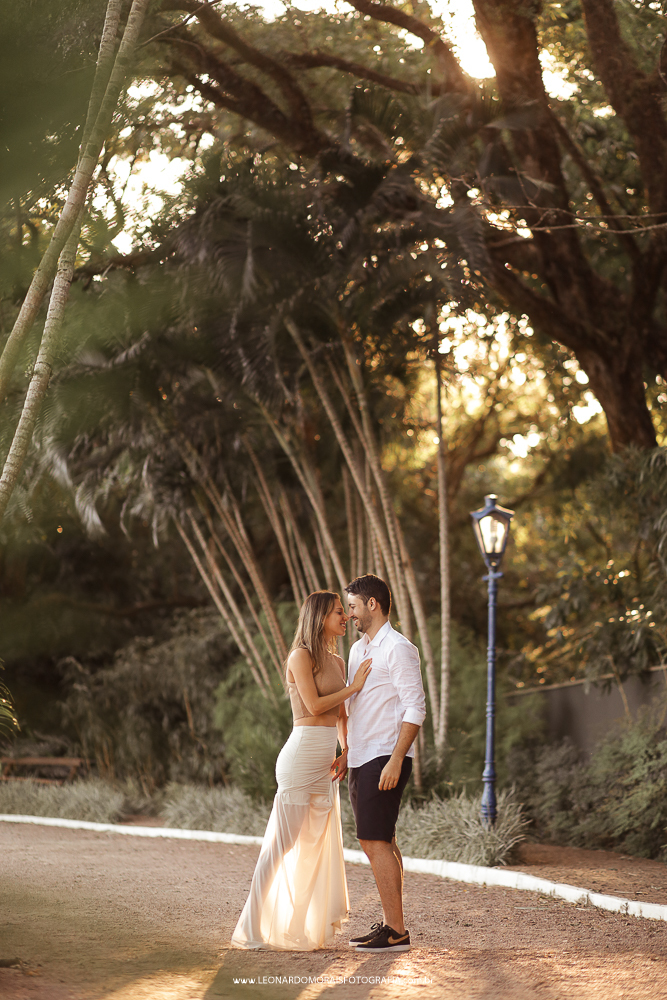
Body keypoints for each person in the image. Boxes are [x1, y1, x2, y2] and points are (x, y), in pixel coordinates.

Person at [231, 590, 372, 951]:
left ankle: (295, 928)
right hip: (299, 759)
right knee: (279, 847)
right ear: (320, 616)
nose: (345, 618)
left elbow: (341, 716)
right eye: (339, 612)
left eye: (345, 611)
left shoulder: (338, 663)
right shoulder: (300, 656)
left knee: (313, 849)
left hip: (326, 764)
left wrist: (346, 750)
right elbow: (312, 704)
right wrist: (354, 687)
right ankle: (251, 930)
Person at [338, 573, 426, 953]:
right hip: (360, 755)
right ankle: (393, 926)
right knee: (383, 839)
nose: (350, 615)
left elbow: (415, 707)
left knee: (372, 840)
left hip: (383, 756)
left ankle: (397, 932)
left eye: (353, 606)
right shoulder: (359, 650)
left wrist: (395, 760)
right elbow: (358, 707)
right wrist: (345, 753)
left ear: (372, 604)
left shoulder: (398, 648)